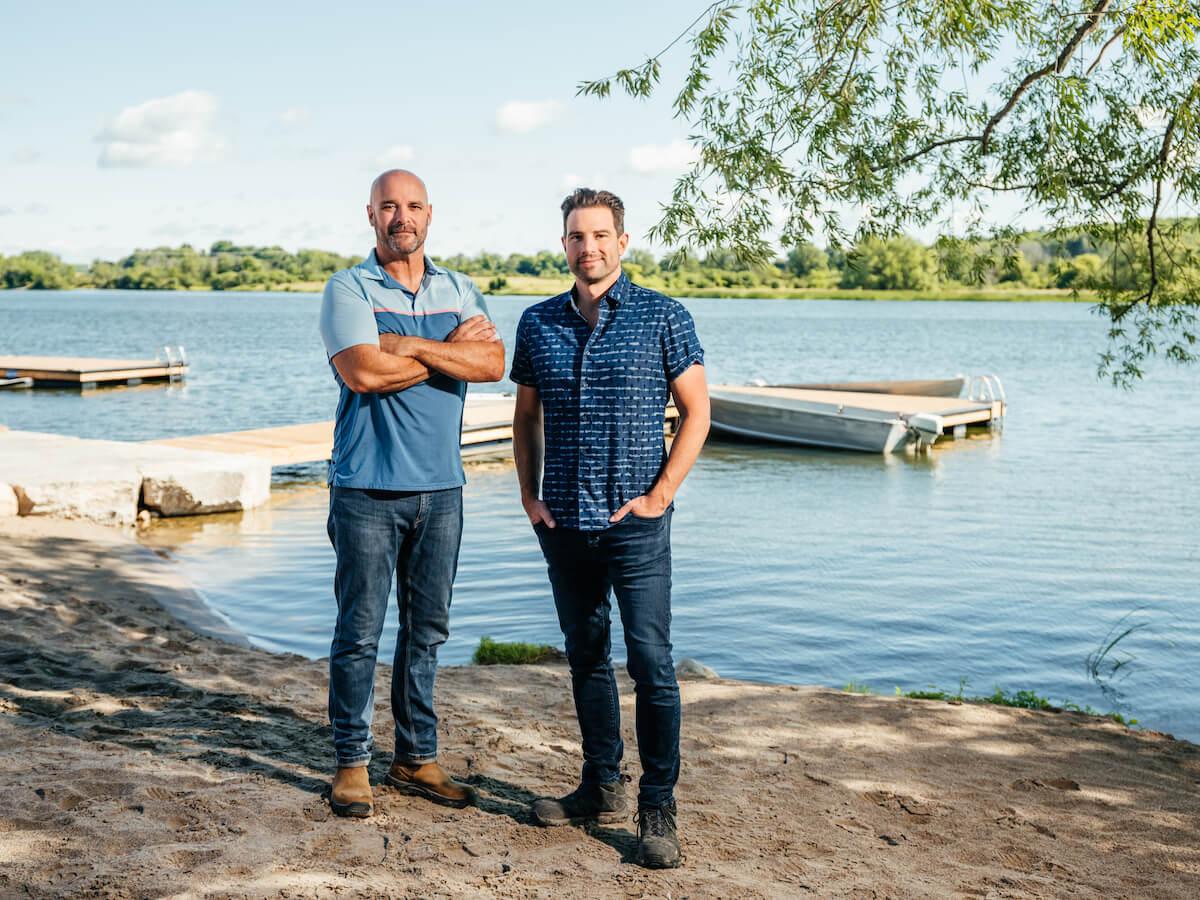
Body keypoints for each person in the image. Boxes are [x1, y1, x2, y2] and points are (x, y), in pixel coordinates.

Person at [510, 188, 710, 869]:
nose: (587, 246)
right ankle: (602, 786)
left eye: (599, 235)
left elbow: (697, 414)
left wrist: (660, 495)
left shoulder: (664, 316)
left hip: (636, 526)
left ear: (622, 242)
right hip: (564, 521)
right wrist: (530, 499)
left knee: (651, 662)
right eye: (575, 236)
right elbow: (525, 418)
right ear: (562, 244)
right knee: (586, 656)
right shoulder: (537, 324)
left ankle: (658, 805)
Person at [318, 169, 504, 818]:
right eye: (389, 206)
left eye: (414, 205)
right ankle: (350, 765)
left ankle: (415, 758)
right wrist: (445, 350)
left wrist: (408, 343)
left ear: (431, 214)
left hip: (442, 491)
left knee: (427, 633)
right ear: (370, 215)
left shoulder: (460, 288)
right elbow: (364, 373)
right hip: (365, 491)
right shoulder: (347, 289)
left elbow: (491, 364)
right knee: (359, 635)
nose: (403, 216)